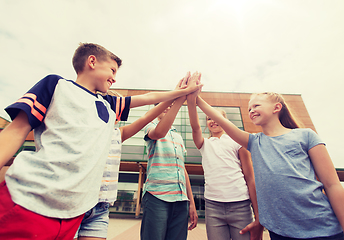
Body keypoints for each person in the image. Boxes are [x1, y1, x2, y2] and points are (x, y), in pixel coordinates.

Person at [0, 42, 201, 239]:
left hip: (75, 211)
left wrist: (181, 93)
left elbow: (150, 98)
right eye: (112, 70)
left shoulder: (108, 104)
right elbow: (15, 132)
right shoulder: (55, 85)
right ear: (92, 61)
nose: (114, 78)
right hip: (28, 200)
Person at [194, 92, 344, 240]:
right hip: (280, 232)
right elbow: (221, 120)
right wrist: (196, 98)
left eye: (256, 105)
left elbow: (332, 185)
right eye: (249, 109)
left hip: (323, 229)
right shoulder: (253, 142)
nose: (251, 110)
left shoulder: (306, 136)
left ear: (276, 107)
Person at [74, 76, 193, 240]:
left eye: (115, 108)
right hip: (76, 200)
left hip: (100, 206)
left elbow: (145, 117)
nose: (111, 111)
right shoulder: (86, 130)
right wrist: (176, 96)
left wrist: (177, 97)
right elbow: (150, 120)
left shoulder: (118, 134)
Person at [186, 87, 264, 240]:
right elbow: (195, 127)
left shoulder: (238, 141)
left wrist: (258, 215)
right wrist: (191, 101)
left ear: (225, 120)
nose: (213, 120)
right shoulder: (204, 144)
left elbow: (250, 178)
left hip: (240, 204)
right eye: (208, 118)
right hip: (213, 206)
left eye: (216, 117)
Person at [140, 72, 201, 240]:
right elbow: (159, 132)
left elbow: (183, 170)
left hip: (181, 200)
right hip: (157, 196)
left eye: (169, 105)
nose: (167, 107)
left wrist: (191, 202)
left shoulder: (178, 137)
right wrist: (181, 95)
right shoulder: (150, 127)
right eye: (163, 105)